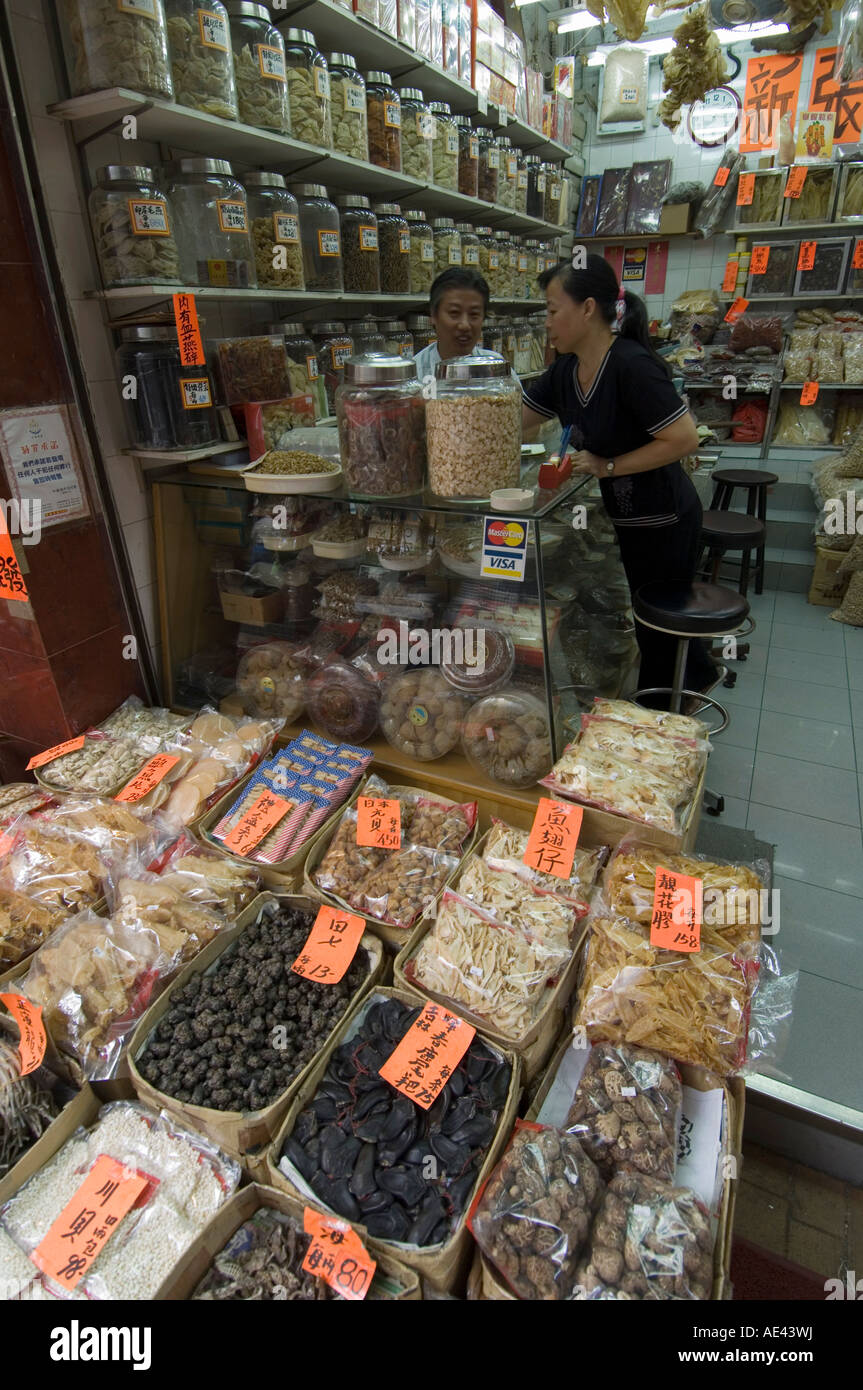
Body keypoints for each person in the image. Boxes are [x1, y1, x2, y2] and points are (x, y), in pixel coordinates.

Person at [522, 254, 720, 707]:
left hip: (664, 516)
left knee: (659, 625)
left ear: (588, 308)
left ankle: (664, 718)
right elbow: (517, 418)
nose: (547, 321)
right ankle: (692, 679)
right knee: (649, 617)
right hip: (627, 515)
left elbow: (682, 438)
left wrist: (607, 467)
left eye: (553, 309)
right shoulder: (565, 370)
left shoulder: (631, 365)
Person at [413, 267, 519, 384]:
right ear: (433, 315)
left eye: (474, 314)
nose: (465, 325)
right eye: (454, 313)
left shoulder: (497, 369)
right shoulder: (415, 375)